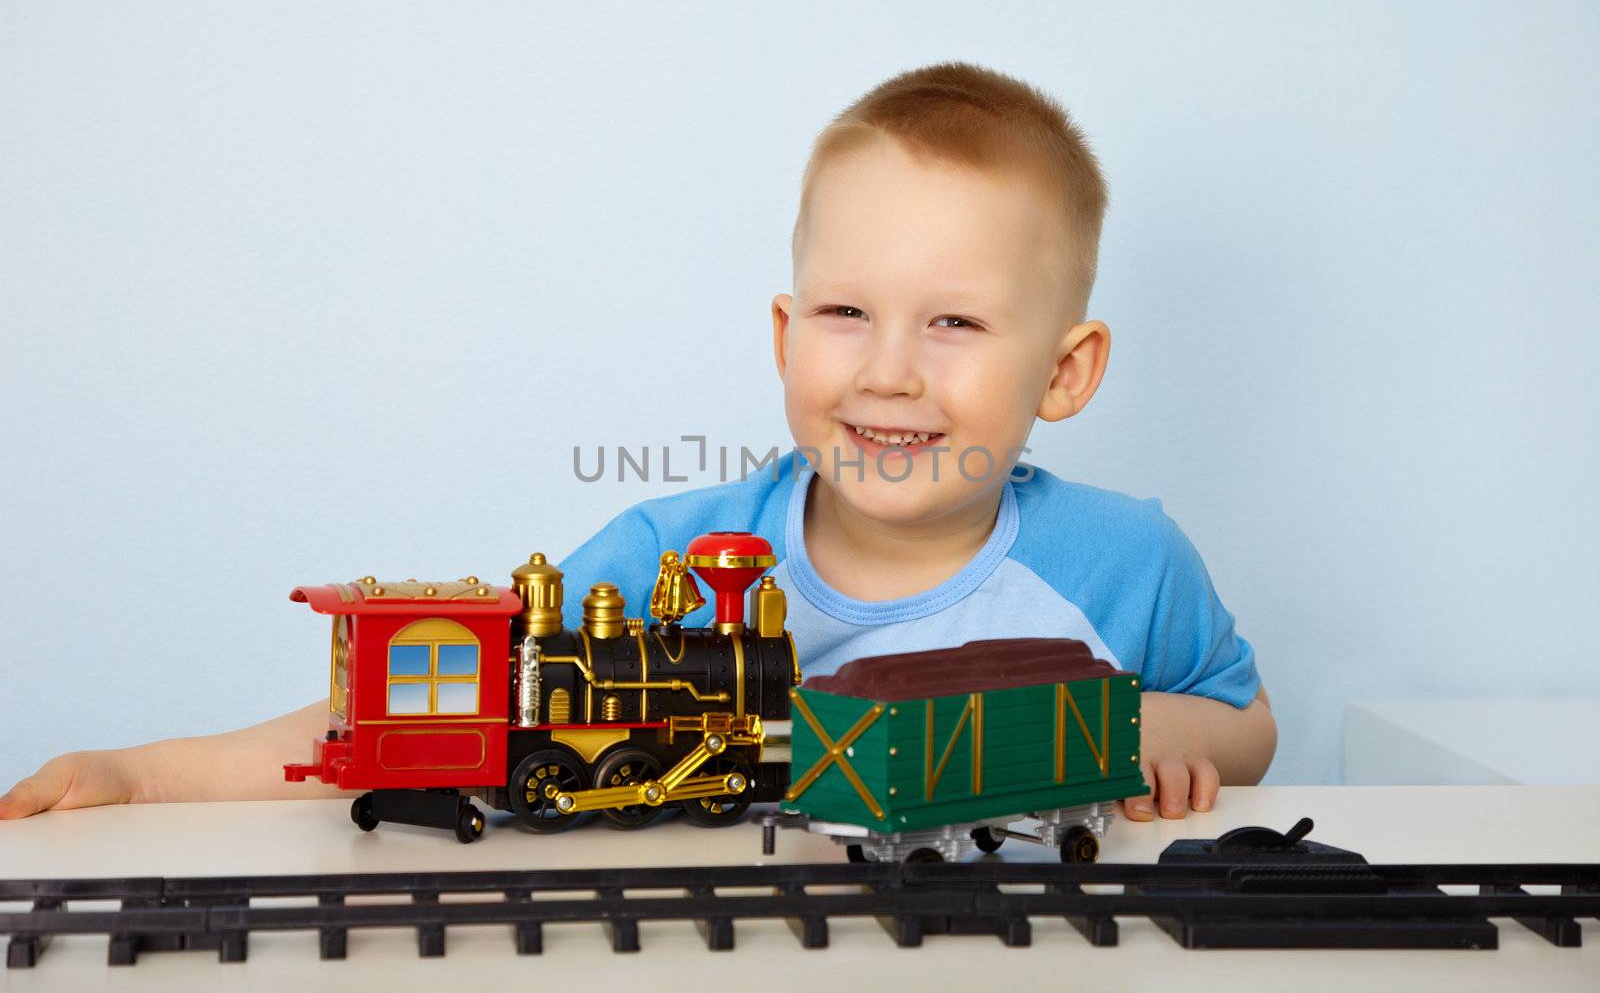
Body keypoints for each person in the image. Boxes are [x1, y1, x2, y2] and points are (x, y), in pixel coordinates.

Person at [0, 61, 1275, 824]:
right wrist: (152, 770)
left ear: (1066, 371)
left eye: (954, 321)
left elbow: (1248, 721)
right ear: (785, 334)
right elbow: (438, 702)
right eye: (845, 311)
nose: (888, 368)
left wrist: (1165, 731)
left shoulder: (1125, 558)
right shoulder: (664, 547)